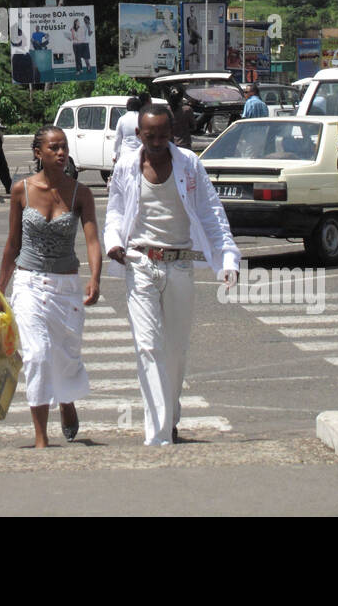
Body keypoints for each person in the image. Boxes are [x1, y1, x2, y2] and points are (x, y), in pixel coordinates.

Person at [104, 105, 240, 445]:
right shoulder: (125, 166)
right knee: (149, 347)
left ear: (172, 135)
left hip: (179, 264)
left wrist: (227, 259)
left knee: (175, 351)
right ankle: (159, 436)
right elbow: (115, 213)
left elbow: (211, 215)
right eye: (150, 137)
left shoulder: (189, 165)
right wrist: (113, 243)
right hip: (140, 263)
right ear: (139, 135)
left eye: (164, 136)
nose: (157, 143)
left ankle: (170, 415)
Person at [0, 125, 103, 448]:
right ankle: (41, 437)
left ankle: (66, 401)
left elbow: (93, 240)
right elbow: (12, 244)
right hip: (29, 283)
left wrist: (95, 277)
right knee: (38, 355)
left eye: (64, 147)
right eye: (53, 147)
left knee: (66, 356)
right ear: (38, 153)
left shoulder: (81, 193)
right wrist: (0, 293)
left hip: (66, 285)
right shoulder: (21, 190)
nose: (61, 152)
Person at [112, 96, 142, 165]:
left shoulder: (122, 119)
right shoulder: (142, 118)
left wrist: (115, 153)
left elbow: (117, 139)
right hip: (140, 155)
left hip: (126, 154)